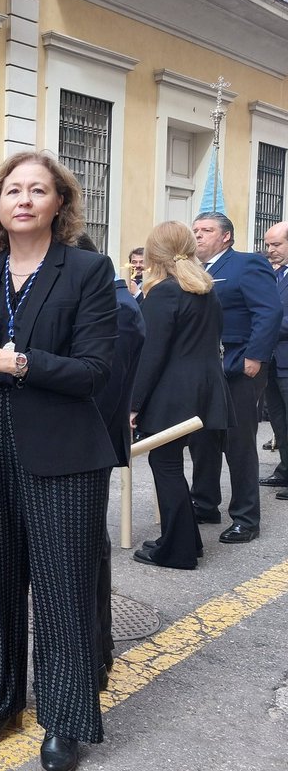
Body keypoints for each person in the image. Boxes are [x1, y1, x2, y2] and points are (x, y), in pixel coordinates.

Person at [0, 150, 117, 771]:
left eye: (39, 190)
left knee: (63, 588)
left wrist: (7, 360)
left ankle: (64, 718)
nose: (24, 200)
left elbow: (94, 371)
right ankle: (3, 699)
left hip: (63, 451)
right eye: (13, 190)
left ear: (59, 203)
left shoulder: (89, 271)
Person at [130, 222, 229, 570]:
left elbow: (151, 354)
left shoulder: (165, 292)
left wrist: (133, 404)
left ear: (154, 253)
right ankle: (187, 541)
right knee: (172, 465)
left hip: (174, 393)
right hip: (207, 387)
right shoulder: (204, 287)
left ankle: (178, 550)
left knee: (165, 464)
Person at [75, 233, 144, 690]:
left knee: (87, 555)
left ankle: (97, 653)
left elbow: (102, 391)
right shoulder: (117, 300)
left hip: (85, 445)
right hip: (82, 443)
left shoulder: (115, 306)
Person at [188, 211, 279, 543]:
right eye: (195, 230)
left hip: (238, 365)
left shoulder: (247, 264)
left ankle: (245, 517)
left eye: (206, 230)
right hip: (203, 368)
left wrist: (255, 356)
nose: (198, 235)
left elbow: (268, 311)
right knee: (202, 439)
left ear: (225, 236)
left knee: (238, 442)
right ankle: (204, 503)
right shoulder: (194, 269)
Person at [257, 221, 288, 493]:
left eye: (276, 244)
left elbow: (277, 317)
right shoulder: (276, 274)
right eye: (268, 245)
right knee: (278, 420)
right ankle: (284, 470)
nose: (270, 250)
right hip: (273, 360)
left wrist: (262, 325)